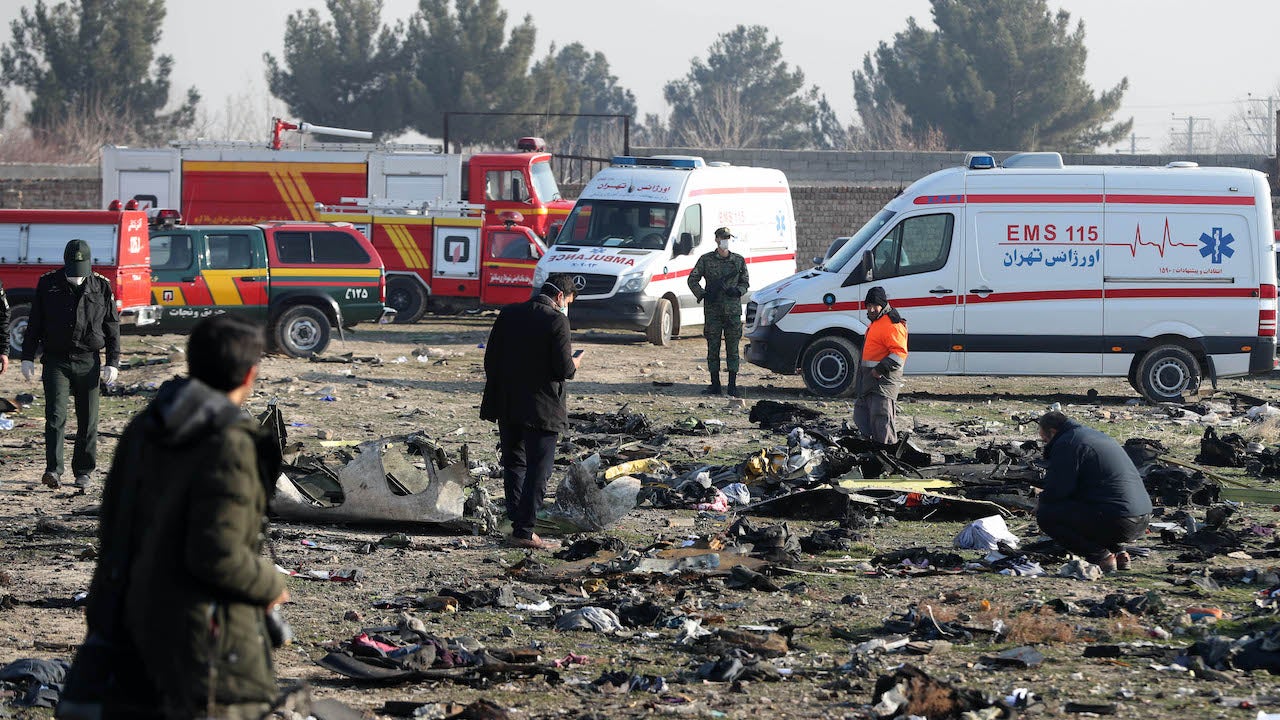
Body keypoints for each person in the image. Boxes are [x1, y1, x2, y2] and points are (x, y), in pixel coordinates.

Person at [70, 316, 288, 719]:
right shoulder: (229, 441)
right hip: (203, 647)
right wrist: (271, 585)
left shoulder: (145, 427)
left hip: (128, 627)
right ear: (251, 373)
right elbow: (217, 554)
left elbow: (114, 528)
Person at [480, 273, 582, 550]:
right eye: (568, 301)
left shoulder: (509, 313)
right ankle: (524, 530)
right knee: (540, 468)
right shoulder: (557, 320)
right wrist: (575, 362)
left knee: (514, 464)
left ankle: (516, 523)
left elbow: (490, 359)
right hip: (542, 408)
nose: (567, 306)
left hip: (507, 403)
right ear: (560, 297)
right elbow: (564, 369)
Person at [21, 239, 120, 490]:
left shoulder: (101, 286)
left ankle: (84, 471)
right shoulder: (48, 283)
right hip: (56, 360)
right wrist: (26, 357)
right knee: (55, 416)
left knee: (89, 418)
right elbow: (35, 323)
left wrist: (113, 362)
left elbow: (112, 328)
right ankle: (53, 470)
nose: (77, 278)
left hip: (89, 360)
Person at [1035, 411, 1153, 572]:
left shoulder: (1067, 443)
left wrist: (1041, 500)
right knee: (1091, 505)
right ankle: (1119, 552)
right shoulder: (1093, 435)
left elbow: (1058, 491)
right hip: (1143, 517)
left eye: (1045, 439)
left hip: (1119, 520)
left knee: (1047, 515)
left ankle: (1101, 556)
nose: (1045, 443)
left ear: (1053, 432)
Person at [688, 227, 749, 396]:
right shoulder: (706, 260)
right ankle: (715, 384)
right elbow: (692, 279)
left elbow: (745, 282)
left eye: (728, 238)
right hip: (713, 311)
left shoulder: (738, 261)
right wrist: (703, 294)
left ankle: (732, 385)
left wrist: (737, 291)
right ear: (716, 239)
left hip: (732, 312)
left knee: (733, 348)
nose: (725, 241)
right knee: (713, 348)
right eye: (723, 238)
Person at [853, 286, 907, 444]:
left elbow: (899, 353)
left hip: (882, 382)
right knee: (861, 414)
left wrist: (879, 370)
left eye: (874, 306)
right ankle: (872, 448)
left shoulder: (891, 324)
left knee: (881, 418)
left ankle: (887, 452)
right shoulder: (876, 323)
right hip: (870, 380)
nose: (870, 309)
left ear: (882, 305)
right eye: (868, 306)